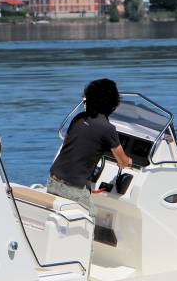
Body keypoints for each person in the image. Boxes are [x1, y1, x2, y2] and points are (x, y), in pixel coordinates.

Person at [47, 78, 132, 210]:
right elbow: (122, 162)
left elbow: (67, 145)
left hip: (53, 181)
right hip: (74, 189)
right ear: (112, 104)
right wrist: (130, 161)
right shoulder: (108, 129)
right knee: (92, 216)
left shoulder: (78, 118)